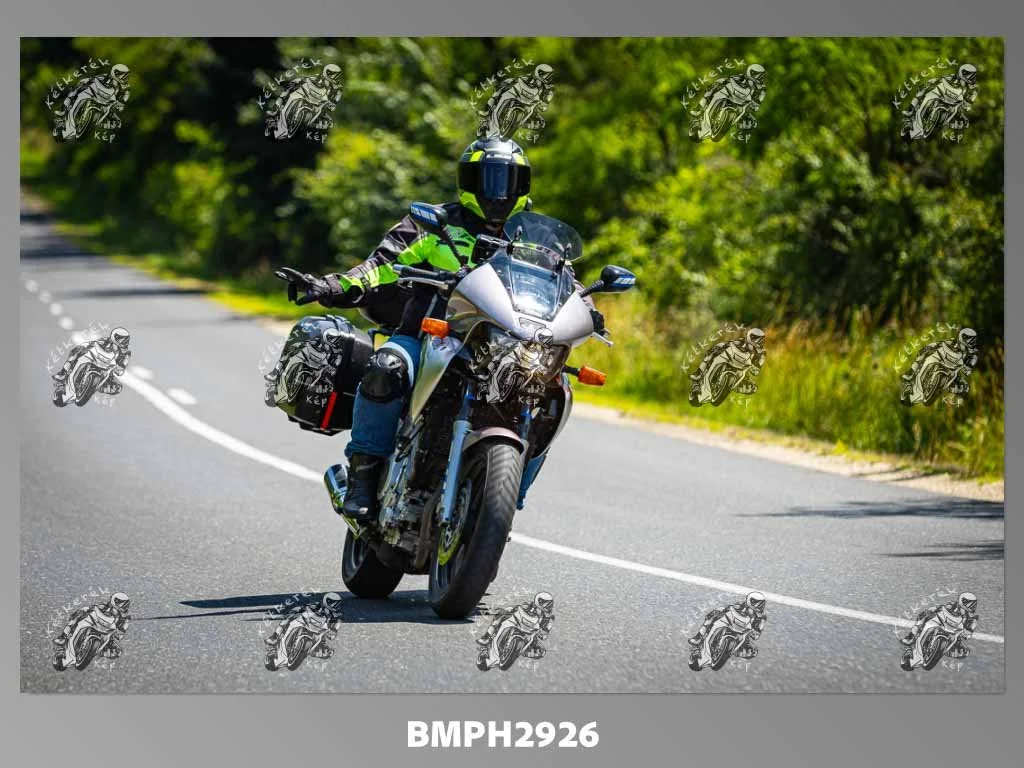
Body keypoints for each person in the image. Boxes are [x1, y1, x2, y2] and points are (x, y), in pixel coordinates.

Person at [281, 137, 603, 522]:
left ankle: (508, 493)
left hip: (506, 350)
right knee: (387, 366)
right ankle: (363, 475)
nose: (497, 192)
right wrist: (334, 285)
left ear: (523, 185)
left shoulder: (537, 241)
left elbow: (567, 286)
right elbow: (382, 265)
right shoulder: (434, 224)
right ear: (467, 181)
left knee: (555, 393)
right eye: (487, 180)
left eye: (508, 181)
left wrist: (589, 311)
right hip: (429, 337)